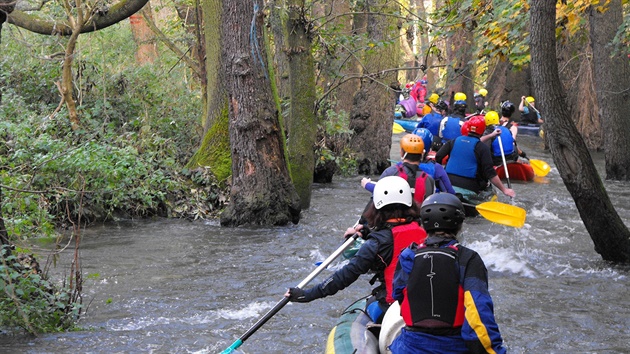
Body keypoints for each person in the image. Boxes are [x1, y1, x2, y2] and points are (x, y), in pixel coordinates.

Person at [285, 176, 428, 324]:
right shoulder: (423, 230)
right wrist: (368, 232)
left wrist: (307, 295)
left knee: (370, 304)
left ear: (376, 206)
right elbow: (395, 234)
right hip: (424, 304)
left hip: (394, 307)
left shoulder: (375, 244)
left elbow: (345, 276)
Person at [389, 193, 507, 354]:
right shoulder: (468, 259)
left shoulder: (408, 256)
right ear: (459, 225)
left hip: (410, 346)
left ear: (424, 224)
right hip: (453, 347)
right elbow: (478, 314)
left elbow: (399, 295)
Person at [435, 115, 515, 203]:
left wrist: (441, 175)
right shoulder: (482, 148)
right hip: (470, 186)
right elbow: (490, 173)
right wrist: (504, 190)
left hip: (448, 183)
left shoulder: (453, 141)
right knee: (486, 183)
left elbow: (438, 156)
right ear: (483, 130)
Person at [365, 130, 456, 195]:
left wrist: (366, 184)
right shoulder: (436, 169)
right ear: (425, 151)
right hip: (422, 213)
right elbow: (449, 193)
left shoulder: (393, 171)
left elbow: (378, 191)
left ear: (402, 152)